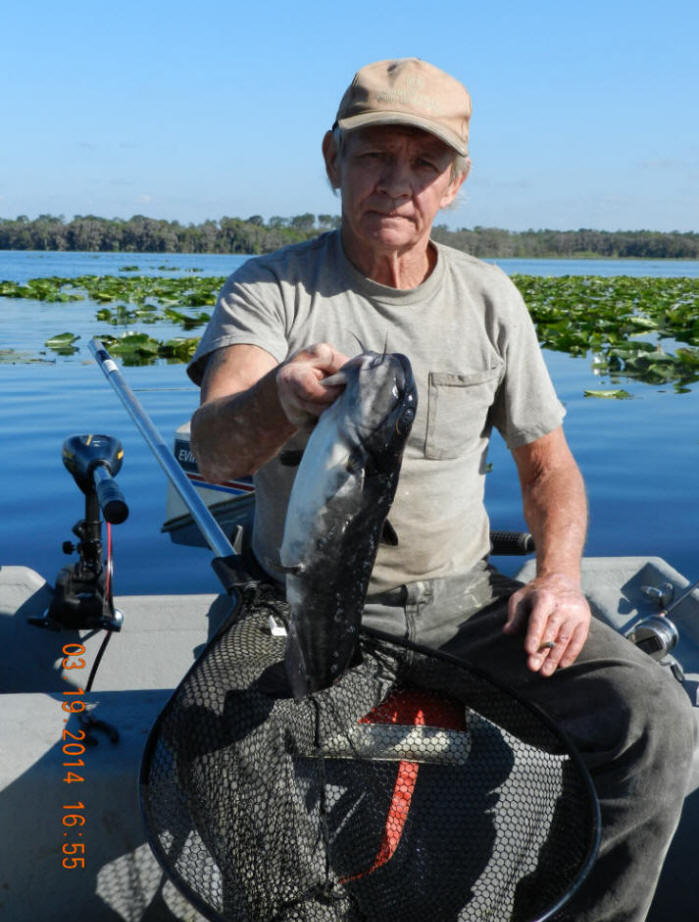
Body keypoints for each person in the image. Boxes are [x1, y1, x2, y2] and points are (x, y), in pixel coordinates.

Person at [187, 58, 695, 922]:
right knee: (211, 740)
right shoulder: (270, 288)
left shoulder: (489, 298)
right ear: (332, 160)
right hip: (295, 602)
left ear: (454, 183)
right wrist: (276, 398)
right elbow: (213, 451)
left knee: (654, 720)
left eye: (423, 163)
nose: (396, 182)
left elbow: (548, 468)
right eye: (372, 156)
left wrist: (558, 579)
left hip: (464, 606)